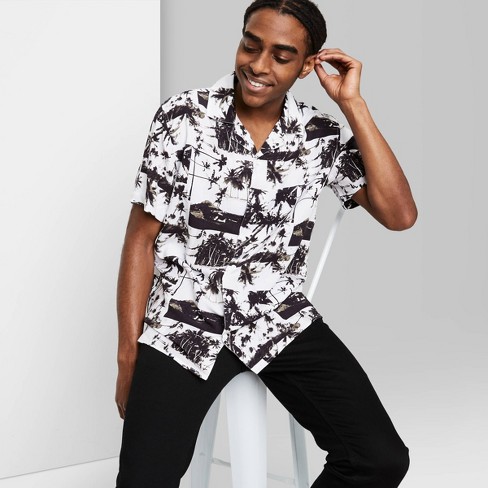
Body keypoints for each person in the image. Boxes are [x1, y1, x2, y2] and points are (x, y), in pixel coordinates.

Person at [114, 0, 417, 486]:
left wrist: (352, 105)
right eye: (250, 46)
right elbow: (140, 239)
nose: (258, 65)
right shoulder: (183, 116)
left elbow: (400, 215)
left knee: (379, 458)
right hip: (183, 320)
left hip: (276, 314)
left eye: (281, 55)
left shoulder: (319, 135)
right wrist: (129, 355)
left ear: (307, 65)